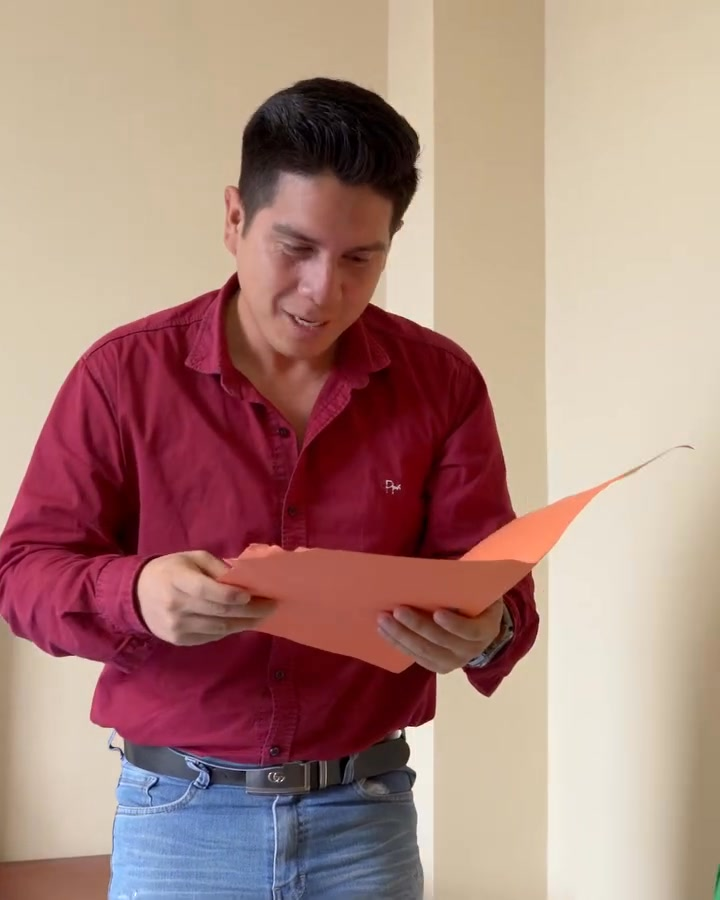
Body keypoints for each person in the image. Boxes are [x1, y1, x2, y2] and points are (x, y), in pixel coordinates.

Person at [0, 77, 538, 899]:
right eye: (296, 248)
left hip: (366, 816)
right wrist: (135, 592)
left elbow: (496, 583)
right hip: (179, 818)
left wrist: (488, 628)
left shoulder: (441, 382)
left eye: (360, 259)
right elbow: (22, 574)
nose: (325, 291)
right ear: (233, 219)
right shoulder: (121, 376)